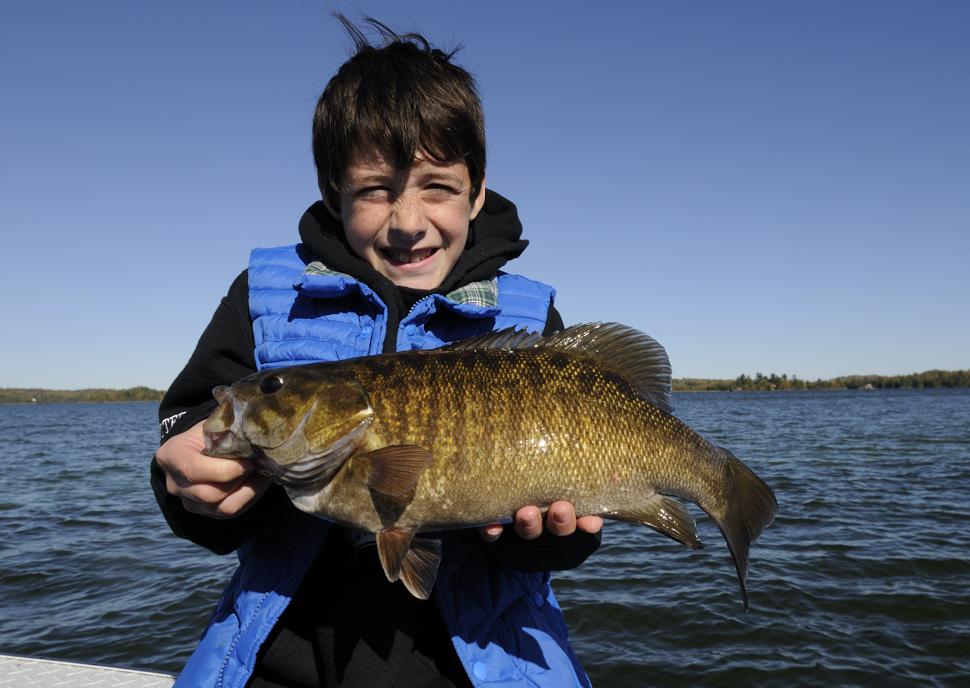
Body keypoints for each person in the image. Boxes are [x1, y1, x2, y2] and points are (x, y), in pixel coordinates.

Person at [152, 17, 602, 688]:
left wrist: (551, 537)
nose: (407, 219)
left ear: (477, 192)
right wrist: (184, 485)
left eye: (437, 187)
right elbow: (191, 429)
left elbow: (564, 516)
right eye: (374, 190)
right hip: (281, 658)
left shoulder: (527, 317)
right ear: (336, 195)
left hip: (483, 665)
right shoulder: (266, 296)